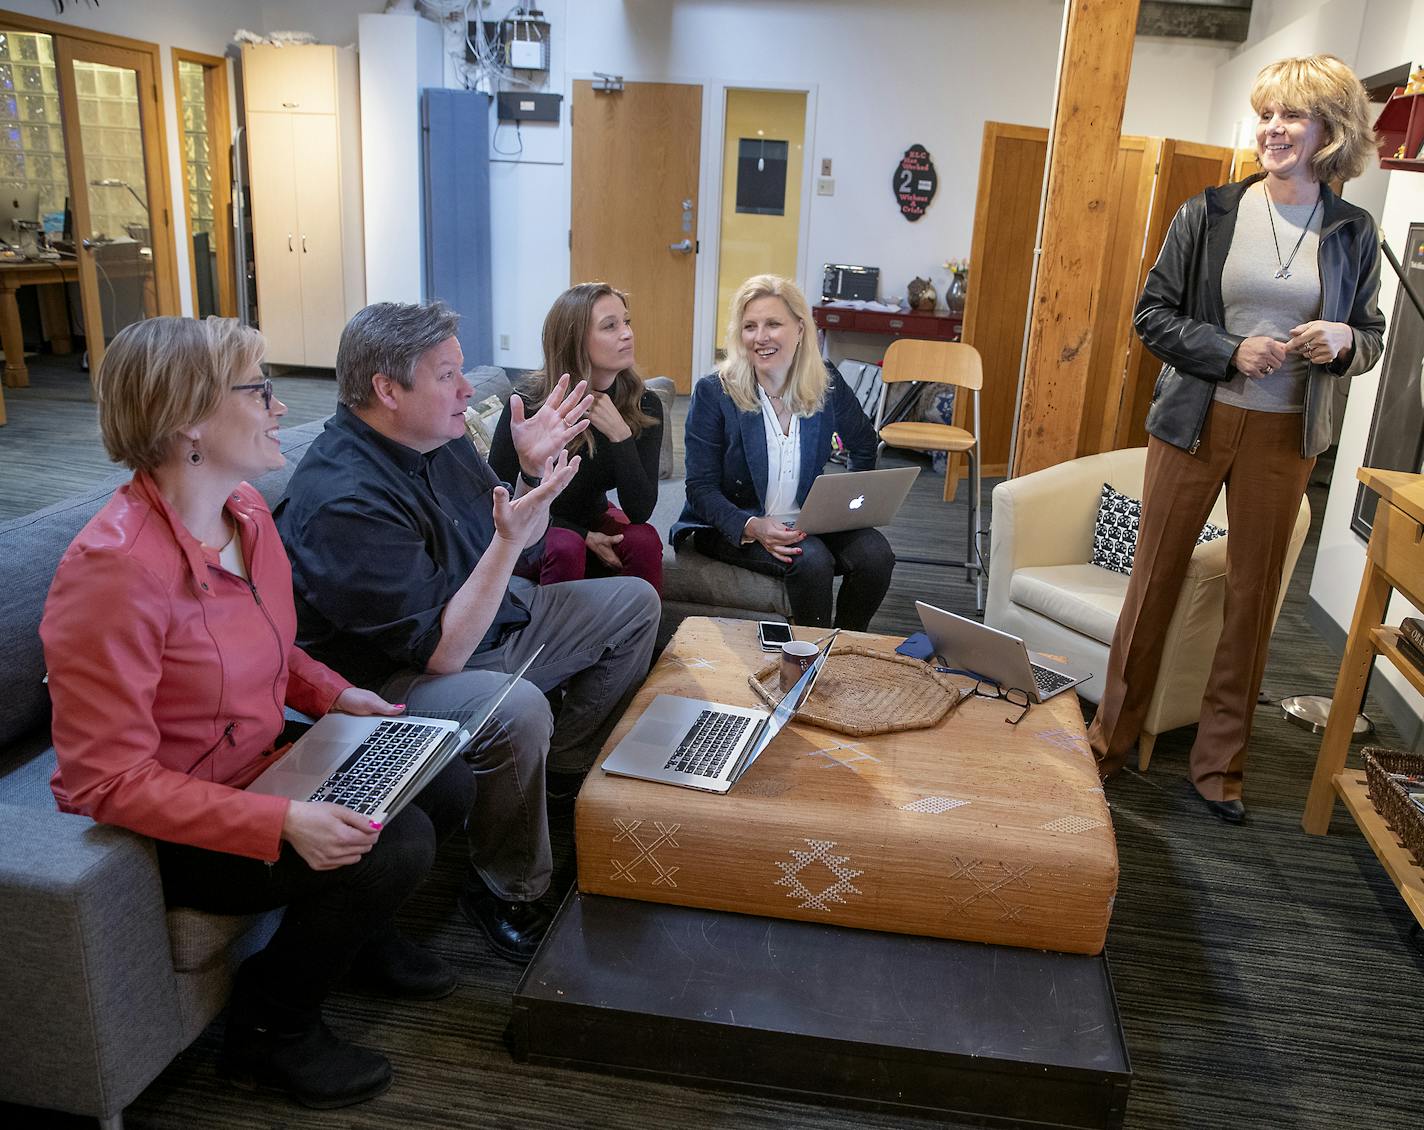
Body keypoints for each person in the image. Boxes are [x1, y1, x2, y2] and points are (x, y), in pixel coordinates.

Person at [40, 317, 473, 1110]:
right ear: (188, 422)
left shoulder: (244, 513)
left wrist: (336, 695)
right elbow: (102, 780)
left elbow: (275, 650)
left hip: (258, 761)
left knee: (444, 772)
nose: (281, 408)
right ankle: (270, 1028)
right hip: (182, 820)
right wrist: (276, 822)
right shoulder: (112, 571)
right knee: (391, 840)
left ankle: (361, 936)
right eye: (259, 390)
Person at [275, 301, 661, 961]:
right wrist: (512, 538)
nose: (467, 390)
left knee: (633, 602)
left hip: (483, 625)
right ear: (388, 390)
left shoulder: (442, 437)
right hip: (395, 681)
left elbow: (503, 531)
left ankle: (555, 775)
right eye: (448, 376)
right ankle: (505, 885)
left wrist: (528, 476)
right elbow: (443, 653)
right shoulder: (344, 499)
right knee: (514, 707)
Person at [1088, 54, 1385, 824]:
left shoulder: (1355, 231)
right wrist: (1228, 350)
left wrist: (1344, 339)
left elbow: (1374, 336)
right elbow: (1150, 315)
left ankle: (1219, 769)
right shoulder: (1209, 211)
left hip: (1287, 437)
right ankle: (1106, 744)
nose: (1275, 129)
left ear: (1331, 131)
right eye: (1267, 114)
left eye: (1293, 115)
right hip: (1194, 422)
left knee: (1253, 601)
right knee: (1152, 582)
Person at [670, 273, 894, 630]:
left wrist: (849, 506)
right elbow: (700, 489)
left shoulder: (825, 382)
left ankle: (851, 645)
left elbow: (864, 443)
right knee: (813, 559)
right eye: (749, 326)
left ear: (801, 329)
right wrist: (753, 526)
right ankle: (807, 659)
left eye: (773, 324)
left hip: (809, 518)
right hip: (738, 520)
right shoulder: (715, 392)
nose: (760, 337)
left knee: (876, 555)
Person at [490, 282, 665, 591]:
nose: (627, 333)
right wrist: (581, 534)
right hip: (535, 527)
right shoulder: (529, 405)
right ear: (575, 341)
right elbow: (499, 502)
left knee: (645, 541)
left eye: (626, 322)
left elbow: (640, 510)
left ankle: (640, 639)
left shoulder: (644, 403)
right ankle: (559, 639)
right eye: (610, 326)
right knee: (566, 545)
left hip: (594, 515)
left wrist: (620, 435)